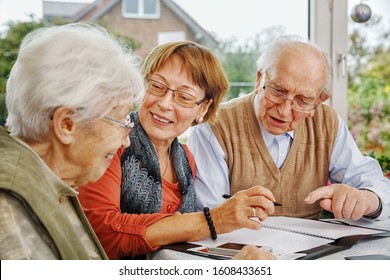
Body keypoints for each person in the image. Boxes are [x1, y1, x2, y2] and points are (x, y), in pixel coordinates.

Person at [78, 41, 276, 260]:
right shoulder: (110, 144)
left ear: (203, 108)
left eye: (184, 97)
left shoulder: (185, 159)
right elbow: (101, 235)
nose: (164, 103)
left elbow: (183, 241)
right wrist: (214, 220)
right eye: (157, 86)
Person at [188, 35, 390, 221]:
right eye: (278, 90)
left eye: (302, 101)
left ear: (319, 102)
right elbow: (209, 218)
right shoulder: (215, 125)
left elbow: (377, 187)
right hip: (239, 254)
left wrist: (365, 199)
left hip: (310, 254)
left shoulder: (328, 123)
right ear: (260, 79)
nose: (284, 111)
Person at [0, 23, 144, 259]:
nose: (125, 141)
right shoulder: (8, 207)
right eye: (120, 120)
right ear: (66, 124)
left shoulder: (47, 182)